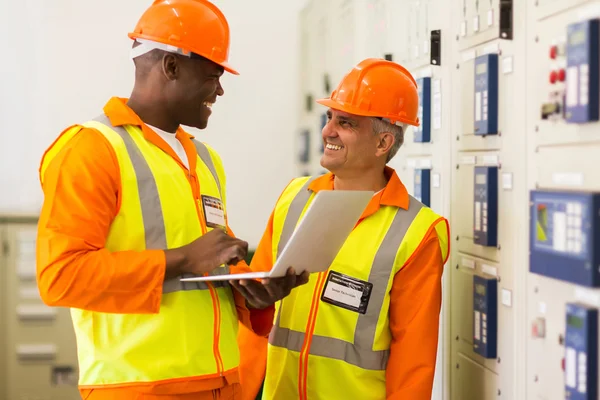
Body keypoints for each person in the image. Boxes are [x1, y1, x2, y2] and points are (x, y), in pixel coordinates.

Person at [35, 1, 307, 399]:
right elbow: (59, 277)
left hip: (221, 382)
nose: (220, 89)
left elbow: (212, 267)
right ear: (171, 66)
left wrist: (256, 294)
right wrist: (181, 259)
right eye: (213, 75)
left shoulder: (206, 159)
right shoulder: (91, 149)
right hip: (140, 387)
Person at [237, 58, 450, 400]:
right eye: (329, 117)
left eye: (346, 122)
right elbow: (250, 317)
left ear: (383, 144)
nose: (328, 131)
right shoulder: (293, 198)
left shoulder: (418, 232)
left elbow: (413, 365)